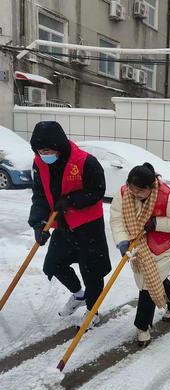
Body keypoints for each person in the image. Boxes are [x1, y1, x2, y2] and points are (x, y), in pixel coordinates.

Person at [28, 121, 111, 327]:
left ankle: (93, 311)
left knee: (92, 271)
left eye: (48, 150)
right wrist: (39, 223)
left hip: (88, 225)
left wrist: (71, 200)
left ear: (59, 145)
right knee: (54, 264)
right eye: (40, 151)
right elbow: (39, 195)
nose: (44, 154)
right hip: (63, 226)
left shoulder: (85, 162)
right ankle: (79, 295)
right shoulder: (39, 163)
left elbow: (97, 191)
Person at [109, 163, 170, 347]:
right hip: (139, 243)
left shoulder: (166, 196)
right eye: (131, 188)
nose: (134, 193)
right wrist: (122, 241)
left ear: (150, 187)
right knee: (156, 277)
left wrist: (157, 223)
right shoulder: (123, 194)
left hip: (164, 245)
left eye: (139, 191)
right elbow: (117, 219)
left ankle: (142, 327)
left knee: (147, 284)